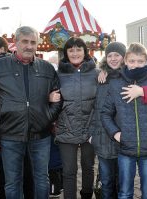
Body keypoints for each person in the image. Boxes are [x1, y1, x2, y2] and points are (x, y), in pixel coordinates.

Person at [0, 26, 63, 199]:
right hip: (9, 136)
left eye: (33, 42)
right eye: (25, 41)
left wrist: (47, 118)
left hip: (41, 136)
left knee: (41, 180)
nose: (29, 46)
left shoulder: (47, 68)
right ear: (15, 43)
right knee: (12, 183)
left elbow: (58, 98)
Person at [101, 42, 147, 199]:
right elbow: (106, 113)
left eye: (140, 61)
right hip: (125, 149)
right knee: (125, 193)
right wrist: (116, 134)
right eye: (132, 61)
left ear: (146, 61)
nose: (136, 65)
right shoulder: (116, 84)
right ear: (125, 61)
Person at [54, 37, 98, 199]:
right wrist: (49, 97)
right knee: (69, 171)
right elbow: (49, 98)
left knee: (88, 167)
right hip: (66, 129)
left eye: (79, 49)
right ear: (65, 53)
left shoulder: (97, 73)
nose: (75, 53)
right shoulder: (57, 75)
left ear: (85, 52)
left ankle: (87, 195)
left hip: (90, 129)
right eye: (71, 50)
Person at [89, 41, 126, 199]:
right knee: (106, 180)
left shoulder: (130, 77)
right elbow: (94, 108)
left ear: (124, 57)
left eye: (117, 55)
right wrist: (92, 133)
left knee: (123, 181)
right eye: (109, 55)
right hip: (103, 136)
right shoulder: (100, 78)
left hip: (123, 137)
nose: (113, 58)